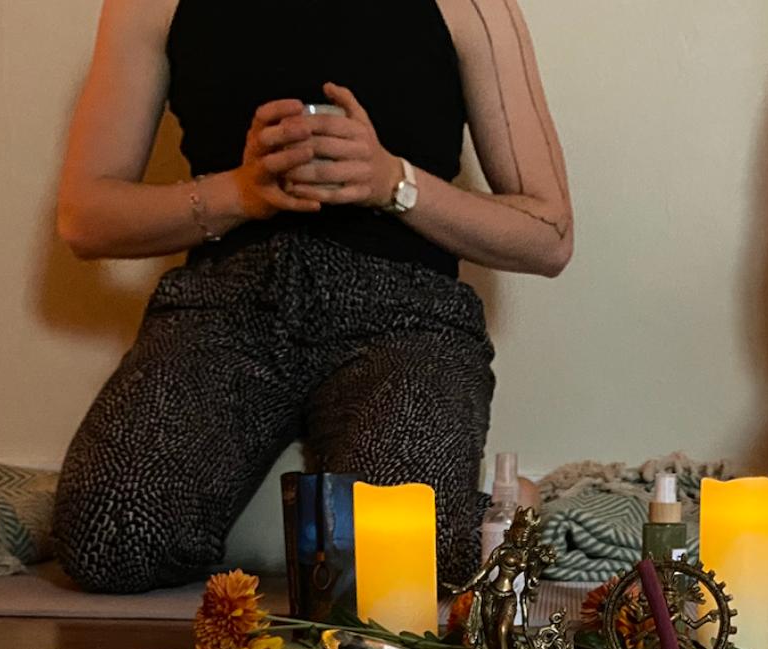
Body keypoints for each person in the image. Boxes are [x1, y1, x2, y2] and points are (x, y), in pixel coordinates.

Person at [52, 0, 571, 594]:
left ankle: (501, 512)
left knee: (390, 564)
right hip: (224, 307)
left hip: (406, 317)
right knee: (107, 540)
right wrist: (240, 193)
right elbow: (84, 219)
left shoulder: (474, 8)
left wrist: (392, 182)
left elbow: (550, 236)